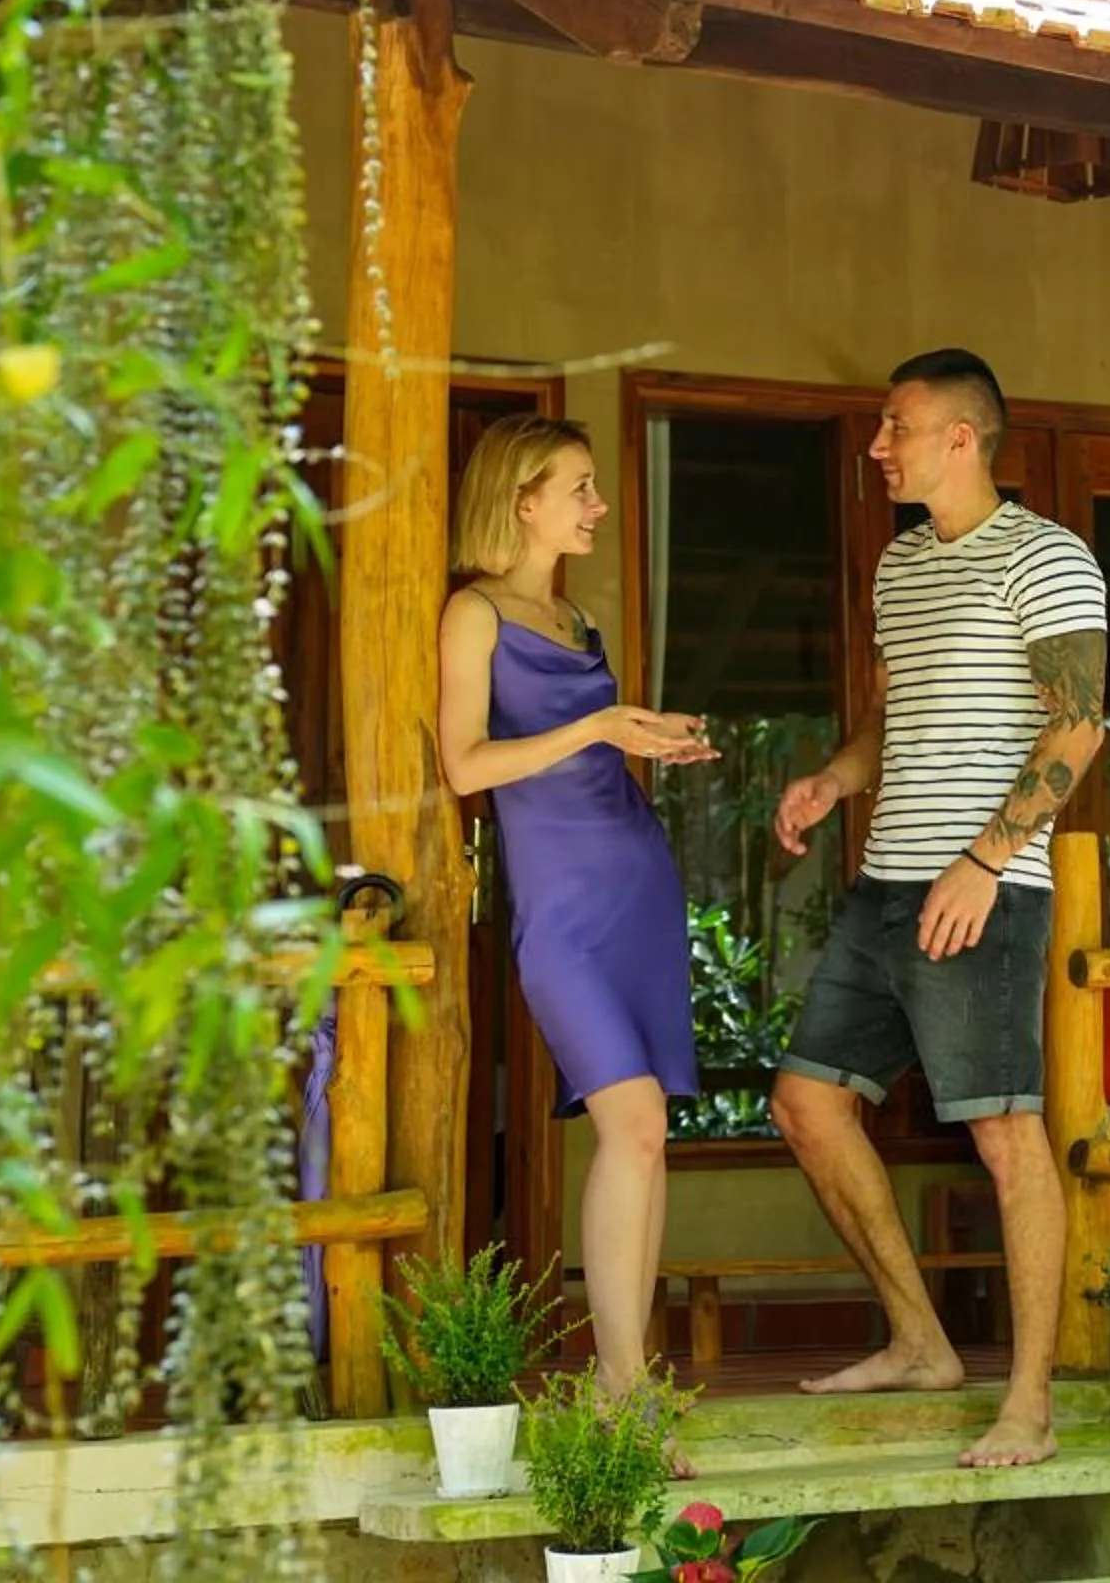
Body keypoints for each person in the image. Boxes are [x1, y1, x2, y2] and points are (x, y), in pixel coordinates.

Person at [768, 349, 1108, 1471]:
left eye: (895, 425)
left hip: (987, 891)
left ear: (962, 437)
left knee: (1007, 1140)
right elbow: (894, 720)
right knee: (806, 1103)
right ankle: (921, 1340)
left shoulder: (1049, 559)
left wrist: (985, 858)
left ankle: (1031, 1402)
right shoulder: (902, 566)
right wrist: (833, 779)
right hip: (886, 887)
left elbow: (1077, 728)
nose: (879, 444)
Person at [436, 414, 713, 1454]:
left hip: (636, 880)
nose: (597, 506)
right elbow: (467, 765)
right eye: (582, 488)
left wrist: (649, 735)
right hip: (560, 911)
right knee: (631, 1120)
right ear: (522, 500)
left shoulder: (574, 616)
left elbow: (588, 756)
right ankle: (622, 1384)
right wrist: (599, 723)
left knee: (648, 1136)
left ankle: (621, 1382)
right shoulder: (476, 613)